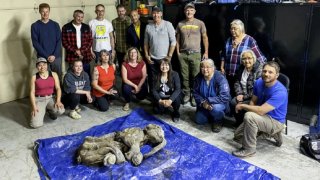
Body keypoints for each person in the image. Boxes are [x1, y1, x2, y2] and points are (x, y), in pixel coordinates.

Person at [232, 61, 288, 158]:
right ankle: (266, 132)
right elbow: (253, 101)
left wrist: (242, 106)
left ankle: (249, 149)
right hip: (261, 115)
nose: (266, 74)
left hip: (275, 120)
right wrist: (252, 110)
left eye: (270, 72)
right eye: (264, 71)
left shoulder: (280, 92)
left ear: (277, 75)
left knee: (249, 116)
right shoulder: (259, 82)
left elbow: (261, 110)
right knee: (237, 137)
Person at [220, 19, 266, 96]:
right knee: (228, 96)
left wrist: (260, 71)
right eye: (231, 28)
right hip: (228, 75)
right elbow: (223, 55)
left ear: (241, 29)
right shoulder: (228, 40)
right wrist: (222, 67)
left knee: (238, 96)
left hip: (241, 76)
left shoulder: (250, 40)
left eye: (235, 28)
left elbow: (260, 58)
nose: (232, 30)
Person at [176, 3, 209, 107]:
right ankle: (186, 94)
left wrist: (206, 52)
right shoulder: (180, 24)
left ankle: (195, 96)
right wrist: (177, 52)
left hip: (196, 54)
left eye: (191, 10)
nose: (188, 12)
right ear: (184, 11)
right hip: (183, 54)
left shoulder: (200, 23)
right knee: (184, 75)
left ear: (194, 11)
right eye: (187, 10)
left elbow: (205, 37)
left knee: (196, 76)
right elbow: (177, 40)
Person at [144, 6, 176, 92]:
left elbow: (173, 41)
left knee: (167, 78)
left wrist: (169, 56)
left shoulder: (168, 24)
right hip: (152, 59)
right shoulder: (148, 27)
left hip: (165, 59)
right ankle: (155, 98)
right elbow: (146, 43)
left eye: (158, 12)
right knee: (153, 79)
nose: (156, 15)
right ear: (152, 14)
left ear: (161, 14)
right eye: (154, 13)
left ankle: (168, 97)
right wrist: (147, 55)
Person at [193, 59, 231, 133]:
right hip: (205, 104)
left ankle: (218, 121)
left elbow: (225, 96)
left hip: (219, 103)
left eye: (208, 67)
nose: (205, 69)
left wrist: (208, 101)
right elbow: (195, 93)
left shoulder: (220, 77)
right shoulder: (198, 78)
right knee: (199, 120)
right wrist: (203, 103)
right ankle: (212, 116)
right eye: (202, 67)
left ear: (213, 68)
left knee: (215, 109)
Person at [30, 57, 65, 128]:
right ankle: (41, 110)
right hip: (39, 99)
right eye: (40, 65)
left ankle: (50, 111)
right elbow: (32, 92)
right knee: (35, 125)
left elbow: (58, 88)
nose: (42, 67)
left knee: (60, 110)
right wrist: (34, 106)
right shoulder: (34, 77)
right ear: (37, 67)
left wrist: (58, 101)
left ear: (47, 65)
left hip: (50, 98)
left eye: (44, 64)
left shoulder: (53, 74)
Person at [231, 49, 263, 127]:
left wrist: (244, 97)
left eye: (249, 58)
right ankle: (240, 123)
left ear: (254, 59)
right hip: (242, 95)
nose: (246, 61)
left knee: (237, 103)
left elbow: (257, 89)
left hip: (254, 97)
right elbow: (237, 82)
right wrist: (239, 93)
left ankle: (247, 124)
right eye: (244, 59)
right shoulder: (241, 68)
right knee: (232, 102)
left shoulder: (259, 70)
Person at [31, 3, 62, 79]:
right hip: (43, 58)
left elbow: (59, 41)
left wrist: (54, 55)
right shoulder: (35, 26)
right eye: (43, 11)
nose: (45, 14)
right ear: (39, 12)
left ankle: (59, 91)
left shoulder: (55, 25)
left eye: (47, 11)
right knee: (45, 79)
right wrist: (47, 56)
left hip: (56, 57)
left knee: (58, 79)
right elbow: (35, 43)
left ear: (49, 12)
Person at [62, 10, 93, 76]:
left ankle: (86, 87)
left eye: (82, 17)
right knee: (73, 76)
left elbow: (90, 41)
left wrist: (81, 51)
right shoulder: (66, 27)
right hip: (72, 56)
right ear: (74, 16)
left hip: (85, 56)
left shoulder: (86, 27)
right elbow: (64, 42)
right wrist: (75, 51)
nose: (80, 19)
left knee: (86, 75)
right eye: (78, 16)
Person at [112, 4, 131, 69]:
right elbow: (112, 35)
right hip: (119, 48)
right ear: (117, 12)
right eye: (119, 11)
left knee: (129, 66)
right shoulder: (114, 21)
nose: (121, 13)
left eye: (122, 11)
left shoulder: (130, 20)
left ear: (125, 11)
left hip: (128, 48)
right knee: (121, 66)